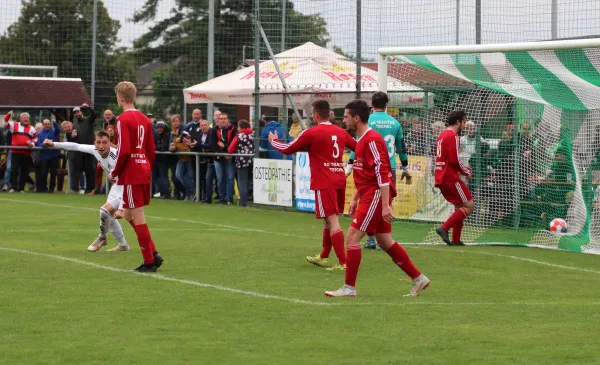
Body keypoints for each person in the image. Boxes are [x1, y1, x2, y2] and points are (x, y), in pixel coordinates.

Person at [324, 99, 429, 297]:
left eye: (346, 117)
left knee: (352, 237)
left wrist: (385, 205)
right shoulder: (362, 139)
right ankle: (418, 278)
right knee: (384, 241)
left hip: (375, 195)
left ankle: (349, 288)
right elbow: (366, 173)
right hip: (369, 194)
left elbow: (382, 172)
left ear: (356, 118)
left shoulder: (371, 139)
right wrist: (355, 197)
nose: (343, 120)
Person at [269, 100, 356, 271]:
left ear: (315, 115)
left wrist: (274, 141)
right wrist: (351, 164)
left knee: (333, 221)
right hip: (339, 178)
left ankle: (343, 262)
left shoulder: (311, 133)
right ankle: (324, 256)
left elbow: (287, 148)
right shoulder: (341, 132)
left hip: (324, 181)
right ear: (329, 113)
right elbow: (358, 147)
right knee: (328, 221)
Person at [346, 91, 413, 250]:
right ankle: (383, 237)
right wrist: (405, 166)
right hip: (390, 167)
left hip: (371, 166)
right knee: (385, 202)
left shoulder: (368, 122)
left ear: (372, 106)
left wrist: (350, 163)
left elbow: (359, 145)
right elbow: (401, 147)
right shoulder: (395, 123)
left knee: (368, 201)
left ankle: (372, 238)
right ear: (387, 104)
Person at [43, 130, 130, 252]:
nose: (101, 146)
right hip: (116, 187)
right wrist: (54, 144)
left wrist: (121, 207)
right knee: (108, 216)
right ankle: (123, 245)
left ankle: (102, 237)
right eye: (98, 142)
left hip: (127, 187)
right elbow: (75, 146)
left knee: (105, 211)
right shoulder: (95, 150)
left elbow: (129, 178)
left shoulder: (116, 156)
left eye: (104, 142)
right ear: (95, 143)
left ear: (110, 143)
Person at [108, 81, 163, 272]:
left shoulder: (122, 119)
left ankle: (149, 262)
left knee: (138, 217)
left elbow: (124, 151)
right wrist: (147, 167)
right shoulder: (145, 119)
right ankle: (153, 253)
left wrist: (114, 173)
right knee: (129, 214)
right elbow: (151, 150)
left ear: (121, 98)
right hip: (143, 169)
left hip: (132, 172)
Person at [435, 110, 475, 246]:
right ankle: (444, 228)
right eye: (464, 122)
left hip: (441, 176)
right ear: (458, 121)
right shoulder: (453, 136)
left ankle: (456, 239)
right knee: (469, 206)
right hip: (450, 177)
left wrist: (464, 169)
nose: (465, 125)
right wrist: (466, 172)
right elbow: (454, 160)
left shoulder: (442, 135)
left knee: (460, 207)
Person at [1, 111, 37, 193]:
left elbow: (35, 139)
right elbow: (5, 123)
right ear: (20, 119)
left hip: (26, 152)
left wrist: (32, 144)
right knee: (13, 169)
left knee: (24, 170)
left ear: (29, 119)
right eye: (24, 117)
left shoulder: (32, 128)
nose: (26, 119)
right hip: (15, 152)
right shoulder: (14, 125)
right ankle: (13, 187)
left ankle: (21, 188)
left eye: (27, 118)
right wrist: (8, 115)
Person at [228, 119, 254, 207]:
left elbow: (230, 149)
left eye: (238, 127)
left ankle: (244, 202)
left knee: (242, 182)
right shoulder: (252, 135)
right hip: (252, 161)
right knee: (249, 181)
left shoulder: (239, 136)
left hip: (241, 161)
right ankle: (249, 198)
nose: (237, 129)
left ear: (241, 127)